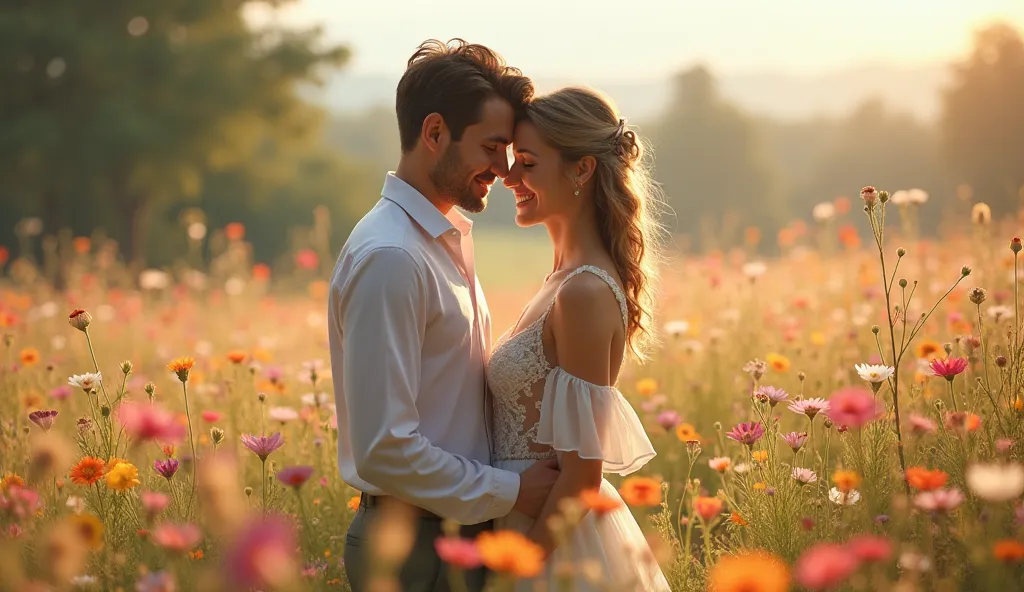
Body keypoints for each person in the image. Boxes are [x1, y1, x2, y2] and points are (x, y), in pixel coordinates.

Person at [328, 39, 559, 592]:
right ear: (434, 134)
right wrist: (512, 491)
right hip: (413, 548)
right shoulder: (392, 257)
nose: (504, 169)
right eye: (492, 146)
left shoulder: (438, 242)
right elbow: (385, 449)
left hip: (452, 537)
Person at [488, 85, 671, 590]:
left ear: (582, 169)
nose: (509, 178)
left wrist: (512, 572)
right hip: (521, 520)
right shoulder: (561, 281)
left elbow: (581, 476)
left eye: (527, 162)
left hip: (555, 544)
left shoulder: (585, 292)